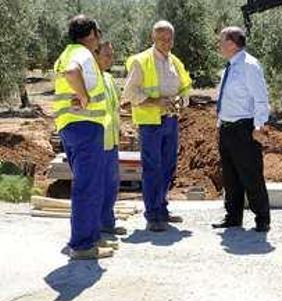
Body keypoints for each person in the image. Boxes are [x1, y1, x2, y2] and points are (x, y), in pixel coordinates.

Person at [123, 21, 192, 232]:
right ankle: (152, 215)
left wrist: (182, 100)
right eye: (161, 38)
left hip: (171, 120)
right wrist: (155, 102)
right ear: (153, 38)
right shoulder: (141, 61)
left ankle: (162, 208)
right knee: (152, 168)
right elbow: (129, 94)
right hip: (150, 123)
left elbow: (185, 88)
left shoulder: (175, 62)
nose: (166, 42)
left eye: (169, 38)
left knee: (168, 166)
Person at [53, 15, 113, 259]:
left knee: (85, 185)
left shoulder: (66, 52)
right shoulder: (82, 54)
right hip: (85, 127)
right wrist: (84, 95)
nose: (99, 38)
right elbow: (71, 72)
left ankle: (85, 238)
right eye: (98, 32)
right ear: (90, 34)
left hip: (70, 127)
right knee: (89, 186)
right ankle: (83, 245)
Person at [211, 26, 272, 232]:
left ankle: (262, 218)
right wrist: (219, 123)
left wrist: (259, 126)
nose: (219, 45)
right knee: (230, 176)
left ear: (231, 43)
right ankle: (233, 216)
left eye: (221, 41)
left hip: (244, 128)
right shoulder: (228, 67)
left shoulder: (249, 65)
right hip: (227, 128)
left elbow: (261, 99)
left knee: (251, 175)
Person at [96, 41, 126, 237]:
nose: (111, 59)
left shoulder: (108, 78)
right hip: (97, 141)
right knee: (97, 185)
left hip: (111, 140)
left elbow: (116, 107)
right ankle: (94, 226)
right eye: (107, 55)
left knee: (111, 184)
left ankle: (107, 222)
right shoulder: (90, 78)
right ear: (96, 55)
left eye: (112, 55)